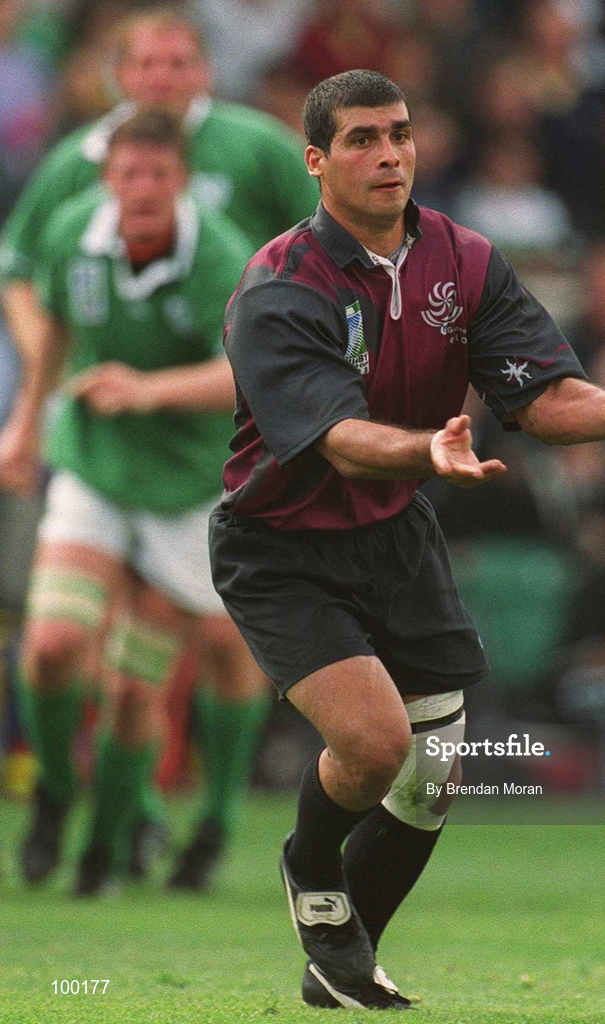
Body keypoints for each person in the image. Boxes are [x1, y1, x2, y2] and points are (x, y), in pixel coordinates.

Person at [210, 69, 605, 1009]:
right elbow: (337, 438)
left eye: (399, 133)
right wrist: (426, 447)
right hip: (281, 543)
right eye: (360, 139)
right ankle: (310, 864)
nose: (388, 154)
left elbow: (539, 397)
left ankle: (344, 959)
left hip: (395, 533)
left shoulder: (465, 260)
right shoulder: (279, 284)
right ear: (316, 162)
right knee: (376, 746)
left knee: (433, 778)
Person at [0, 4, 316, 889]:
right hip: (101, 457)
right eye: (146, 63)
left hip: (217, 460)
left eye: (179, 62)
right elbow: (30, 284)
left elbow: (320, 263)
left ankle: (206, 819)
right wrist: (30, 413)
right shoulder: (76, 182)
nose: (162, 78)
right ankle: (89, 803)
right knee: (59, 648)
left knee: (221, 648)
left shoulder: (252, 166)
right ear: (118, 76)